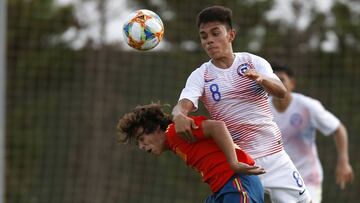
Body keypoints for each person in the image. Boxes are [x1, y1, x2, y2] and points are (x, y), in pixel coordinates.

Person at [171, 5, 311, 203]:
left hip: (275, 157)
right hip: (240, 162)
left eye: (215, 33)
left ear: (231, 35)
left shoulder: (254, 62)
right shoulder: (201, 74)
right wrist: (178, 115)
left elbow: (281, 91)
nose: (209, 40)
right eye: (204, 36)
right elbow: (183, 104)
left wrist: (261, 79)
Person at [117, 103, 265, 203]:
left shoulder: (176, 131)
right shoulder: (175, 142)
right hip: (223, 189)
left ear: (156, 128)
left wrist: (234, 163)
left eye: (141, 139)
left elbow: (217, 126)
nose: (141, 146)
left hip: (236, 181)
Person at [269, 63, 354, 203]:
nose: (277, 84)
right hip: (281, 178)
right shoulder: (262, 108)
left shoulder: (307, 107)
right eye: (273, 80)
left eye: (282, 80)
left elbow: (339, 129)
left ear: (292, 83)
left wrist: (343, 161)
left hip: (308, 178)